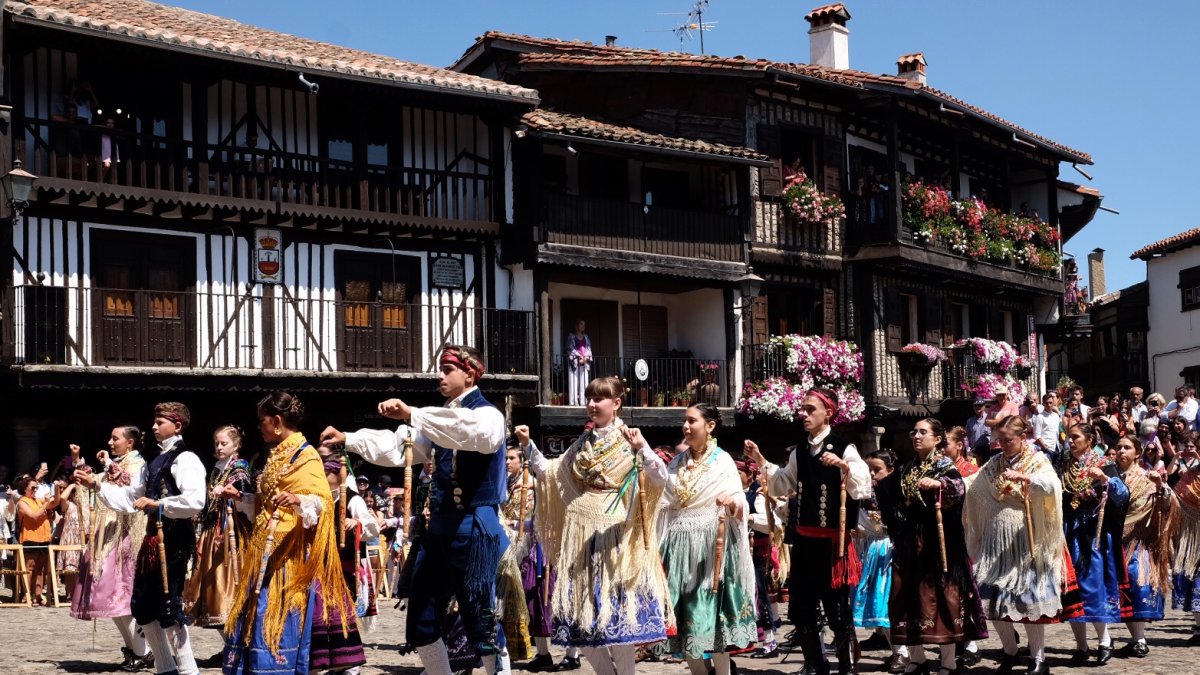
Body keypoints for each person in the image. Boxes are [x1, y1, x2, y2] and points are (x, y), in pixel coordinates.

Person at [321, 345, 510, 675]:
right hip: (438, 532)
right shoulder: (436, 419)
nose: (440, 375)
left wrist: (413, 413)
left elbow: (473, 432)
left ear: (470, 373)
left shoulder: (489, 415)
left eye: (447, 369)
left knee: (481, 622)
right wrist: (348, 438)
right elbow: (399, 449)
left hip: (474, 529)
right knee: (421, 621)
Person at [518, 376, 670, 675]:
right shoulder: (582, 443)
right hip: (579, 537)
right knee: (579, 620)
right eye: (588, 398)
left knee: (618, 615)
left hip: (614, 535)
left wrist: (643, 450)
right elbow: (550, 473)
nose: (591, 404)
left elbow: (660, 478)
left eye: (598, 399)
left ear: (616, 404)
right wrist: (528, 445)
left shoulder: (630, 439)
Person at [222, 392, 360, 674]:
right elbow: (268, 502)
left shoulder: (305, 455)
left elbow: (321, 503)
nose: (259, 426)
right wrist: (242, 498)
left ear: (277, 421)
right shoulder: (278, 453)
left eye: (262, 420)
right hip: (266, 550)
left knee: (276, 617)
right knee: (257, 614)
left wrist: (299, 501)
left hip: (290, 556)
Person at [743, 387, 872, 675]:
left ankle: (847, 666)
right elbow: (782, 483)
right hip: (803, 541)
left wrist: (843, 467)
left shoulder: (844, 447)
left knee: (837, 610)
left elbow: (863, 484)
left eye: (810, 409)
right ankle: (815, 663)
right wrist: (760, 458)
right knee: (801, 608)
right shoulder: (800, 451)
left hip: (833, 545)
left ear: (829, 412)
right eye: (802, 409)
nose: (804, 414)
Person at [76, 402, 206, 675]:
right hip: (152, 539)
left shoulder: (186, 458)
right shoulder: (155, 461)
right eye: (154, 421)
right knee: (143, 605)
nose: (154, 427)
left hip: (173, 538)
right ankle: (165, 668)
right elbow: (131, 498)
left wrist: (159, 504)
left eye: (160, 422)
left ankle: (189, 669)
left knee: (169, 607)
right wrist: (96, 485)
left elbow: (195, 500)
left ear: (177, 425)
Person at [875, 419, 986, 675]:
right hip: (909, 543)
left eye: (923, 432)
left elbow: (959, 490)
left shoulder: (945, 467)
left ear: (937, 439)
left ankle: (948, 663)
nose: (916, 436)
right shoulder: (906, 469)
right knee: (905, 597)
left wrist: (940, 486)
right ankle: (917, 659)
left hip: (940, 544)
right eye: (914, 431)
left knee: (940, 598)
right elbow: (885, 491)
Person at [964, 415, 1072, 675]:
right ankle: (1010, 652)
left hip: (1026, 540)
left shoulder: (1036, 460)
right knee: (994, 599)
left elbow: (1053, 485)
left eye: (1008, 440)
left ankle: (1039, 658)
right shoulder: (994, 463)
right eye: (999, 440)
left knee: (1027, 600)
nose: (1002, 444)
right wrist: (954, 484)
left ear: (1023, 438)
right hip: (997, 542)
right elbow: (974, 485)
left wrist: (1029, 480)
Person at [655, 403, 756, 674]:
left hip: (713, 550)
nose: (686, 427)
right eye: (684, 421)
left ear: (710, 426)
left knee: (711, 618)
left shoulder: (722, 460)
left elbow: (739, 498)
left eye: (692, 421)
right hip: (679, 550)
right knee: (685, 619)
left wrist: (732, 501)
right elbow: (663, 501)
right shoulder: (677, 462)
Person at [71, 426, 154, 671]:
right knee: (111, 598)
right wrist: (79, 462)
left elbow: (131, 490)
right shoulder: (120, 462)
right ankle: (136, 650)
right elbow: (99, 483)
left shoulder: (138, 464)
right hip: (111, 534)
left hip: (128, 534)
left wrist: (108, 467)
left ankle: (142, 650)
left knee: (122, 596)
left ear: (130, 443)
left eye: (115, 438)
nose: (109, 442)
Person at [1058, 422, 1128, 666]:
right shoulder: (1064, 466)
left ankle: (1104, 640)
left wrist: (1105, 479)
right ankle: (1081, 645)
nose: (1070, 441)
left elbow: (1122, 496)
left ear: (1089, 441)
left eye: (1075, 437)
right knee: (1071, 589)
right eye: (1068, 437)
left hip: (1094, 536)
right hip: (1070, 534)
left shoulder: (1104, 465)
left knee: (1093, 586)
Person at [1112, 435, 1177, 657]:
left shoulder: (1148, 478)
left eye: (1127, 447)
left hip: (1138, 541)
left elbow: (1167, 504)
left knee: (1137, 585)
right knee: (1120, 591)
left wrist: (1160, 487)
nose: (1122, 451)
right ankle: (1131, 638)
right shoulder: (1110, 475)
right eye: (1119, 447)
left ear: (1137, 453)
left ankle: (1140, 639)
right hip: (1113, 541)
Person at [183, 425, 253, 630]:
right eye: (217, 443)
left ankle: (235, 635)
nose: (220, 447)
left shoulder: (239, 468)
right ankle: (226, 639)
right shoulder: (216, 469)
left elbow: (245, 499)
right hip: (212, 529)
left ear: (236, 444)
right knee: (210, 580)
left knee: (227, 578)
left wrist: (229, 495)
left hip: (232, 529)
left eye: (225, 443)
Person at [852, 449, 908, 674]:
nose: (873, 475)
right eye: (870, 470)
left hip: (891, 549)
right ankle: (897, 651)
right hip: (872, 549)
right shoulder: (865, 493)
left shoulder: (899, 493)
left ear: (891, 470)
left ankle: (904, 652)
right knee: (877, 602)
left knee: (888, 602)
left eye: (877, 470)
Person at [318, 455, 375, 667]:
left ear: (338, 475)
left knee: (344, 616)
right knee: (326, 617)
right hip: (323, 566)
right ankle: (336, 662)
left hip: (346, 566)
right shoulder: (321, 499)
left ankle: (351, 665)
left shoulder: (353, 499)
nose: (322, 477)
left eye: (326, 473)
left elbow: (373, 528)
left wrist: (356, 522)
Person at [742, 459, 784, 660]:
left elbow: (772, 523)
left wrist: (750, 518)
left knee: (761, 593)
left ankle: (770, 641)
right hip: (743, 551)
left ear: (748, 474)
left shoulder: (758, 493)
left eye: (738, 472)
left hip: (758, 551)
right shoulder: (739, 492)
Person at [15, 473, 62, 605]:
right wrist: (46, 503)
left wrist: (57, 489)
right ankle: (27, 594)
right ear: (25, 489)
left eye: (36, 488)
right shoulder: (22, 502)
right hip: (30, 537)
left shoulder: (38, 500)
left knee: (40, 568)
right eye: (33, 488)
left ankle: (38, 594)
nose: (35, 490)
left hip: (43, 538)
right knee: (29, 567)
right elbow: (33, 516)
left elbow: (55, 503)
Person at [1171, 430, 1200, 640]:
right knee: (1194, 575)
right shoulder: (1191, 473)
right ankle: (1199, 627)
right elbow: (1175, 497)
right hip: (1191, 533)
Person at [567, 320, 592, 406]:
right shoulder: (571, 337)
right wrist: (579, 357)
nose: (583, 326)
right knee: (573, 383)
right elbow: (571, 349)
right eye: (581, 324)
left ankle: (583, 401)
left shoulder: (586, 337)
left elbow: (588, 349)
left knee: (584, 383)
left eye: (584, 324)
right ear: (577, 325)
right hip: (575, 363)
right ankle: (573, 402)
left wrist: (585, 358)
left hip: (584, 363)